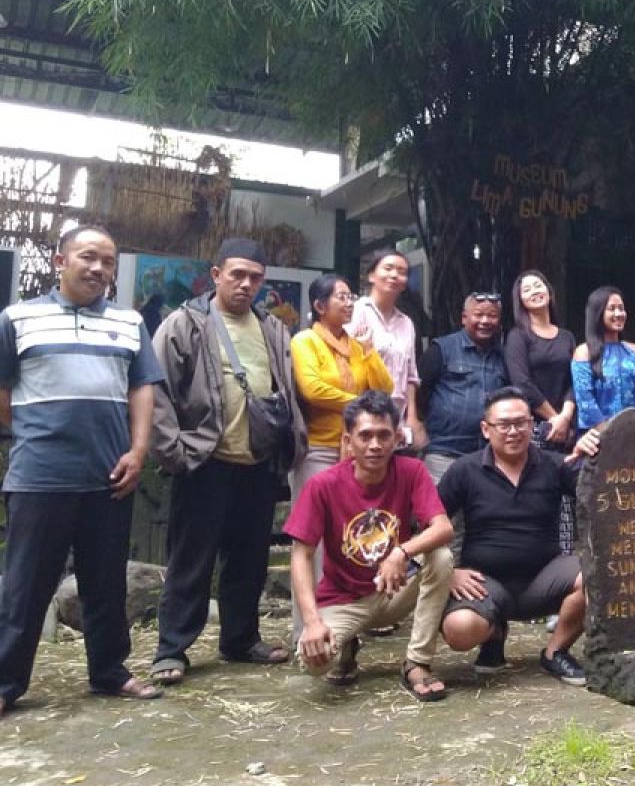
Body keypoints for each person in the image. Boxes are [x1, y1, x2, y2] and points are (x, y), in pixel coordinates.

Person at [0, 225, 164, 712]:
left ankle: (110, 673)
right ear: (59, 260)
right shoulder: (17, 318)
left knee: (106, 582)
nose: (98, 269)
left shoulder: (130, 323)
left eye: (108, 262)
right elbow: (4, 397)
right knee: (26, 585)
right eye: (88, 257)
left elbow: (142, 390)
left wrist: (138, 452)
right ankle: (7, 684)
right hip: (39, 476)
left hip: (110, 476)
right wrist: (42, 433)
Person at [149, 238, 307, 686]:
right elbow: (157, 391)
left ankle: (240, 639)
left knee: (249, 557)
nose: (246, 284)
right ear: (216, 274)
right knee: (191, 559)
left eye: (255, 277)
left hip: (257, 462)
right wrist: (175, 451)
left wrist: (290, 444)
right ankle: (172, 648)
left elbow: (286, 389)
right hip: (205, 459)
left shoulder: (272, 328)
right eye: (236, 274)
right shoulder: (185, 324)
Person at [286, 391, 455, 700]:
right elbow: (301, 555)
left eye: (383, 435)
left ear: (397, 438)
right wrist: (311, 623)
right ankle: (346, 645)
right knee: (313, 662)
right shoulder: (323, 485)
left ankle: (417, 662)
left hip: (394, 587)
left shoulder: (411, 471)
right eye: (365, 436)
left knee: (441, 557)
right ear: (348, 441)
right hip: (344, 598)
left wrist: (400, 552)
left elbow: (443, 527)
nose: (375, 445)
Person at [437, 387, 592, 685]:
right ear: (486, 429)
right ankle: (494, 633)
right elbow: (429, 522)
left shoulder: (554, 464)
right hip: (485, 582)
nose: (513, 431)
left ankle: (555, 652)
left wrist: (591, 455)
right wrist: (449, 573)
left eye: (521, 423)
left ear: (532, 425)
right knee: (458, 630)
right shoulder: (464, 470)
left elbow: (598, 492)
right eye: (503, 425)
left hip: (545, 575)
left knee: (596, 579)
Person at [290, 273, 393, 639]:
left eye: (352, 297)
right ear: (319, 306)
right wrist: (361, 407)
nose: (350, 303)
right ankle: (309, 628)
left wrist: (368, 351)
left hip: (355, 453)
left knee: (354, 535)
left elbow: (385, 388)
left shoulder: (356, 344)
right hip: (318, 446)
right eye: (342, 298)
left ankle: (352, 622)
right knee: (313, 541)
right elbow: (313, 388)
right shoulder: (305, 341)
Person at [417, 293, 507, 483]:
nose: (485, 321)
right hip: (444, 451)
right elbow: (420, 393)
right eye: (478, 314)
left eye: (492, 316)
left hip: (487, 456)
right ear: (464, 318)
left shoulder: (504, 356)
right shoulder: (441, 349)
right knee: (440, 511)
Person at [348, 248, 423, 446]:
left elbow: (411, 376)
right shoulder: (356, 312)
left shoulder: (407, 323)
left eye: (401, 271)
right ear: (371, 275)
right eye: (388, 268)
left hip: (395, 418)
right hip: (363, 414)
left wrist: (412, 418)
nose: (394, 275)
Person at [504, 270, 576, 450]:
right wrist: (554, 419)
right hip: (533, 427)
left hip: (568, 427)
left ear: (549, 291)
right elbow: (522, 382)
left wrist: (565, 417)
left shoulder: (567, 337)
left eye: (538, 285)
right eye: (527, 289)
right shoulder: (517, 336)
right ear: (520, 300)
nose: (535, 291)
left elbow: (575, 380)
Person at [571, 286, 635, 431]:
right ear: (598, 313)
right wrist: (609, 435)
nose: (618, 313)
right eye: (612, 308)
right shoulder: (583, 352)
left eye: (621, 308)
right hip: (596, 438)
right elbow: (586, 402)